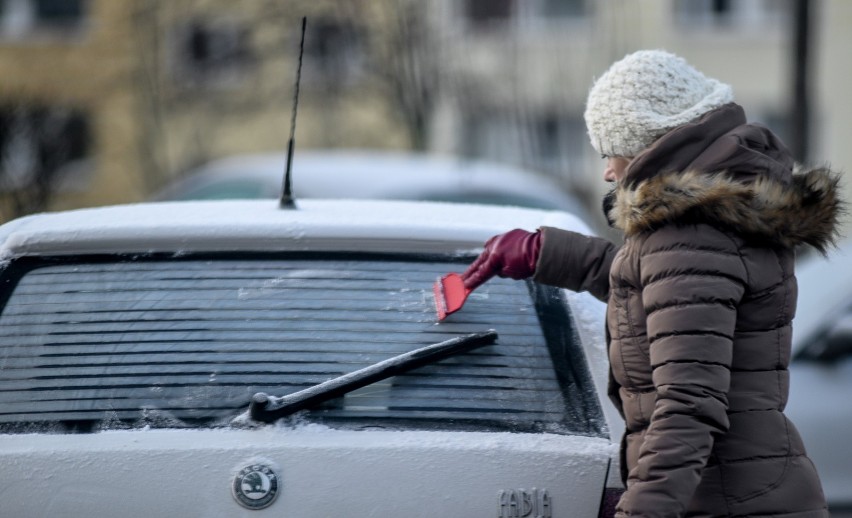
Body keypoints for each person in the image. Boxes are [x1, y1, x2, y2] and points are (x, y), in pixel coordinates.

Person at [460, 50, 841, 517]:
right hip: (746, 492)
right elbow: (657, 286)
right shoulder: (708, 223)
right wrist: (546, 252)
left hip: (725, 502)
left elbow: (688, 404)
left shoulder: (691, 235)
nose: (606, 171)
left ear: (646, 144)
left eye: (608, 151)